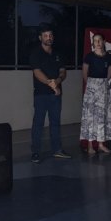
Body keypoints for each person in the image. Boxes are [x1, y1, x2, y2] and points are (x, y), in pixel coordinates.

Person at [30, 23, 69, 163]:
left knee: (55, 123)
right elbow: (37, 72)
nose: (49, 38)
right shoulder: (35, 53)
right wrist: (51, 84)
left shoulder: (58, 54)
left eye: (50, 35)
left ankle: (57, 150)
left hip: (56, 95)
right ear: (40, 38)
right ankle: (35, 152)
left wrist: (58, 80)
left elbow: (63, 71)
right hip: (41, 95)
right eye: (45, 35)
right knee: (38, 124)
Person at [80, 33, 111, 155]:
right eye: (95, 40)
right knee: (90, 116)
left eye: (100, 40)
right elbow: (84, 72)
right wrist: (91, 86)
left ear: (104, 41)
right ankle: (90, 145)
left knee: (102, 116)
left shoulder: (109, 57)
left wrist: (101, 85)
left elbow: (109, 74)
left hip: (103, 88)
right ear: (93, 43)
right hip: (91, 88)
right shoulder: (89, 56)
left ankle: (101, 144)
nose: (98, 43)